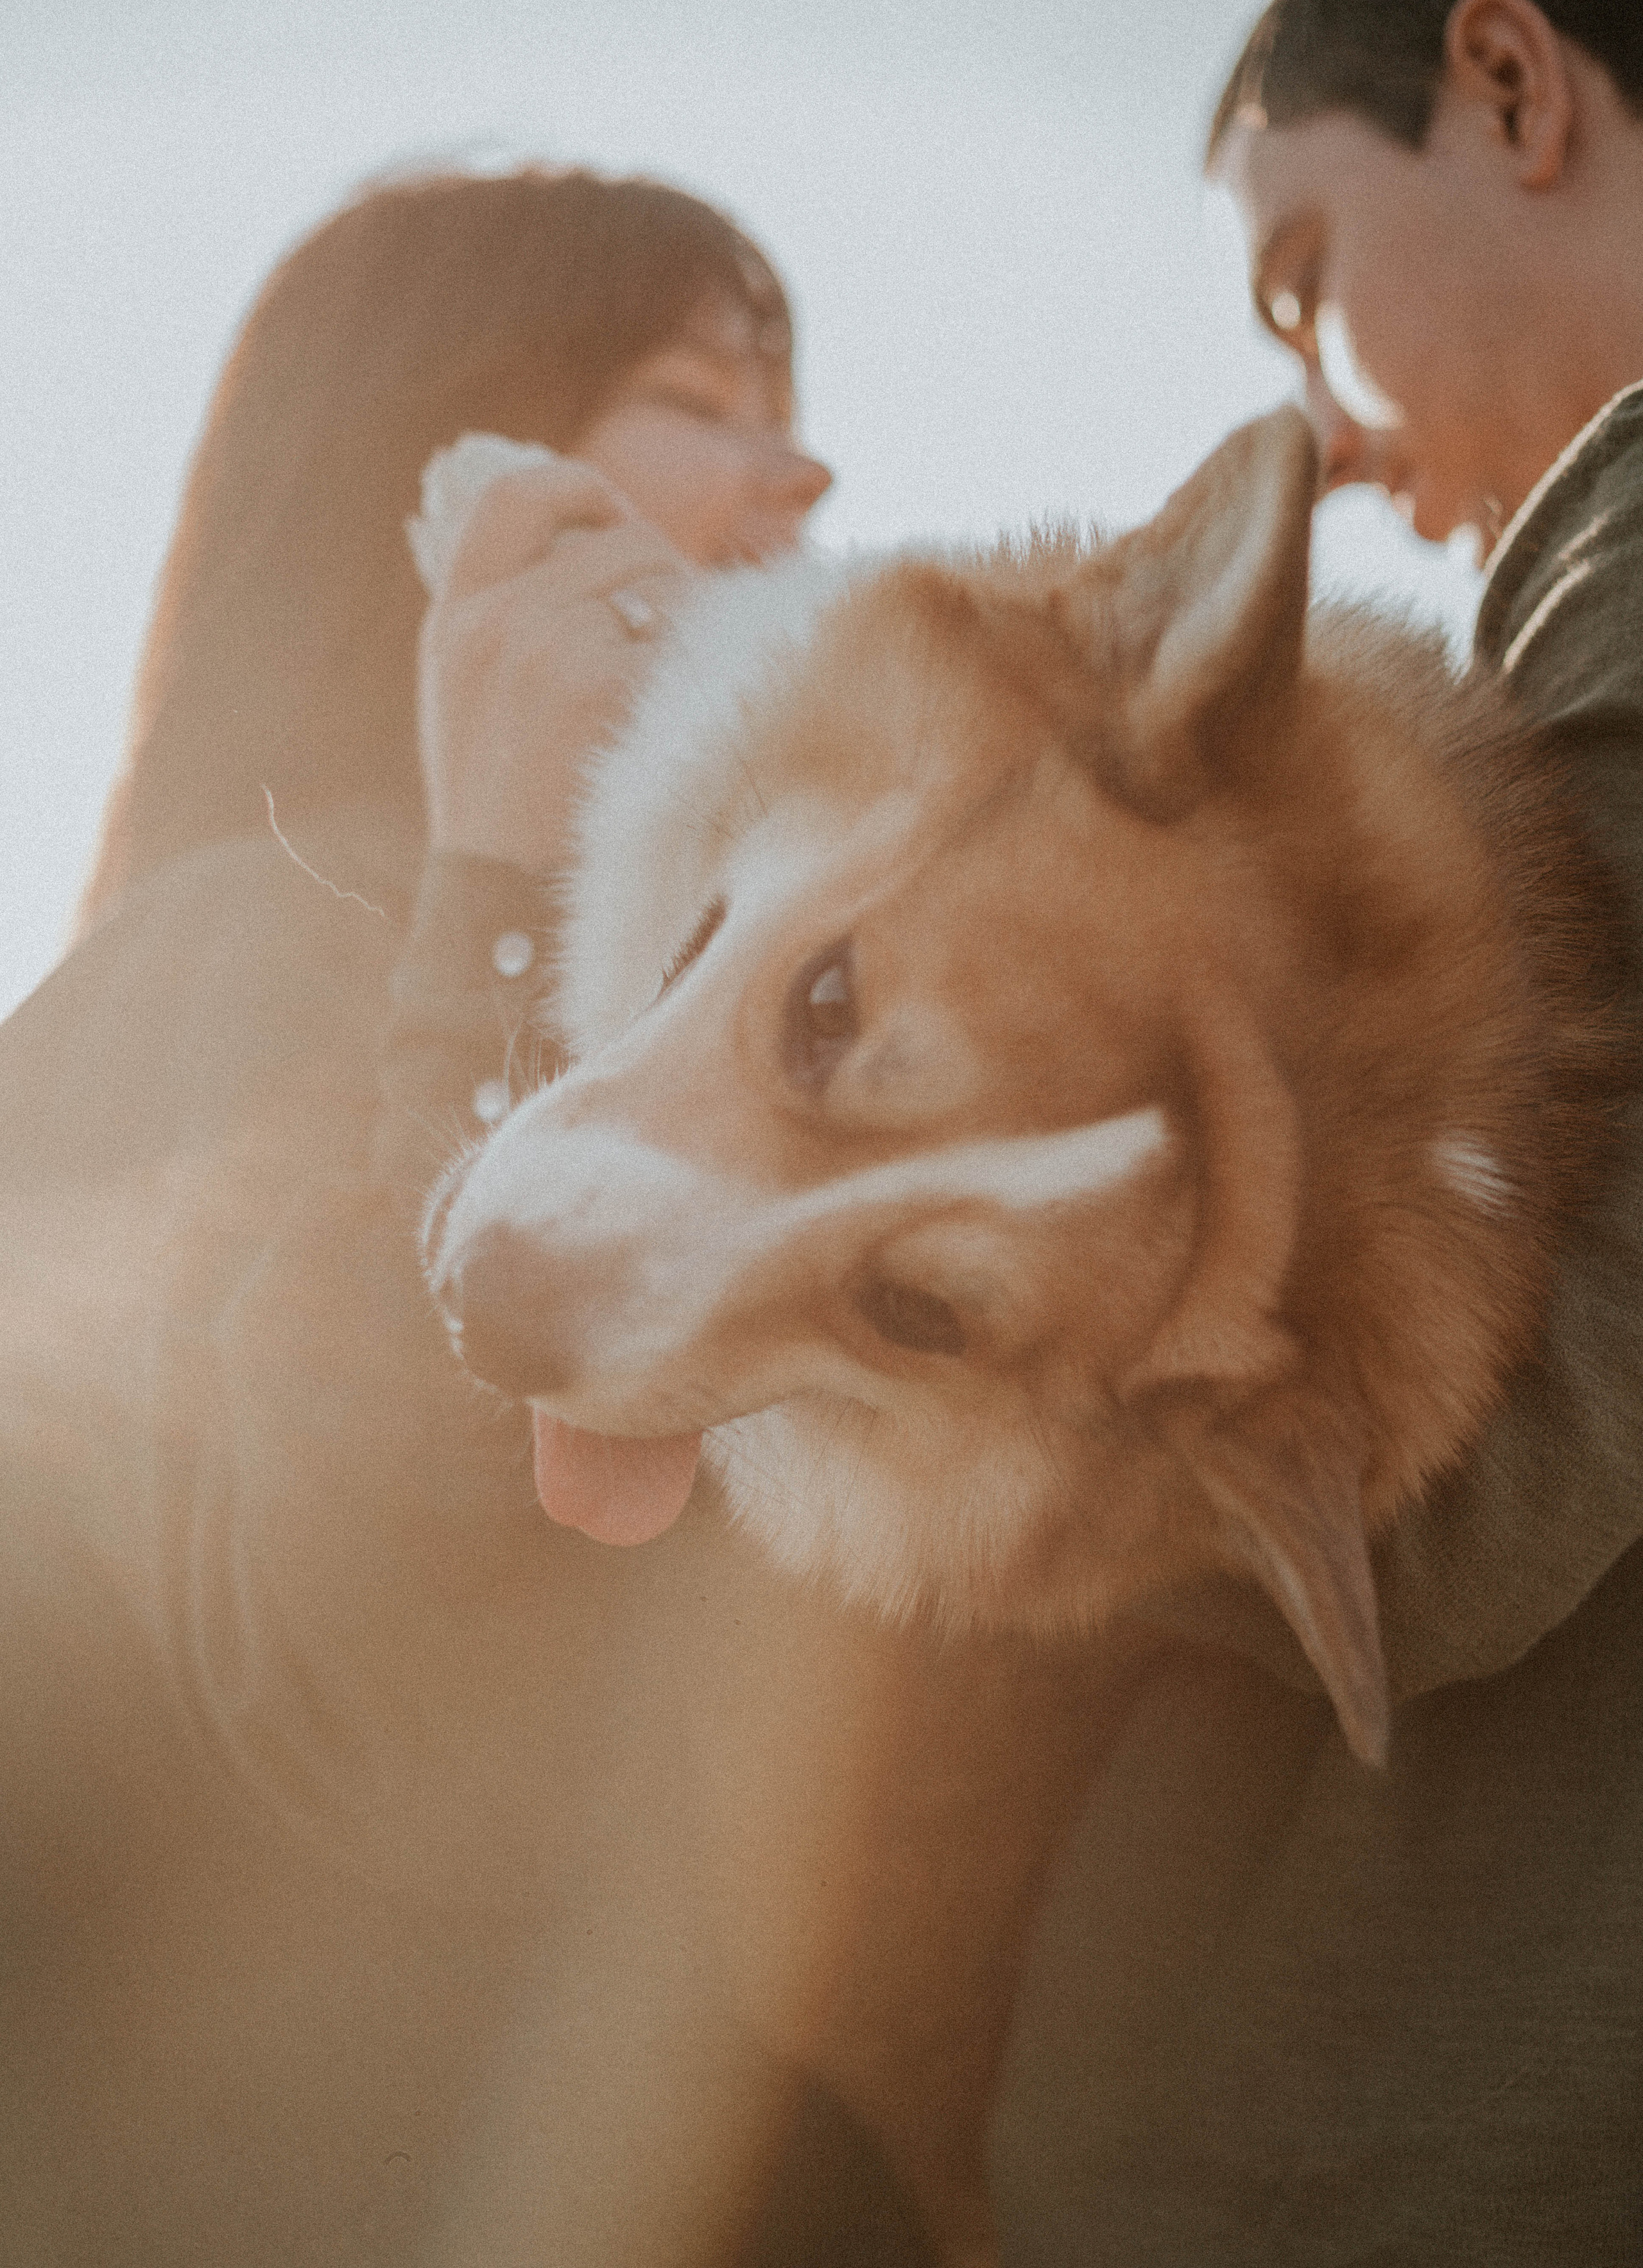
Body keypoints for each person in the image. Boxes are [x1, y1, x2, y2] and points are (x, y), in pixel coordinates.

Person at [0, 166, 1099, 2266]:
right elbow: (399, 1668)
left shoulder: (700, 1020)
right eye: (706, 389)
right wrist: (498, 880)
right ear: (448, 472)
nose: (811, 464)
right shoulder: (229, 963)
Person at [984, 5, 1643, 2259]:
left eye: (1301, 278)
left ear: (1512, 83)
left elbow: (1478, 1492)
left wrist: (935, 1429)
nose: (1327, 439)